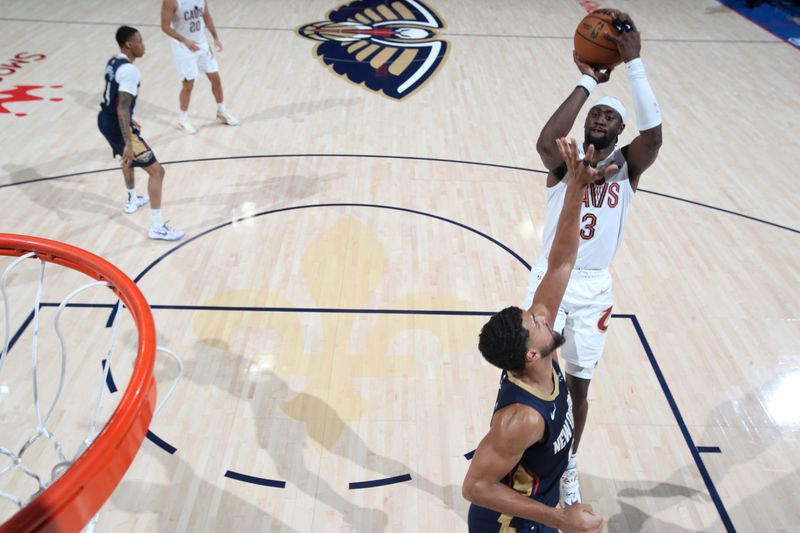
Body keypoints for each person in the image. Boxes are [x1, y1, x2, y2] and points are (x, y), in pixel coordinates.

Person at [523, 11, 663, 506]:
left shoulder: (629, 166)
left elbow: (655, 137)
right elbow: (543, 141)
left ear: (621, 129)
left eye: (611, 117)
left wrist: (635, 64)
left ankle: (566, 465)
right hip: (550, 282)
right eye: (595, 115)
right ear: (586, 125)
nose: (601, 120)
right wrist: (589, 79)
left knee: (579, 388)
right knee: (533, 370)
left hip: (594, 286)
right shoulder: (565, 161)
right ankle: (522, 456)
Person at [463, 139, 614, 533]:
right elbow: (475, 486)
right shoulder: (520, 420)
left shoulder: (537, 345)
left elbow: (562, 259)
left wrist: (576, 191)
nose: (543, 316)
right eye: (536, 324)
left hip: (541, 506)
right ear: (532, 355)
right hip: (509, 524)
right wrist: (561, 518)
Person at [98, 26, 185, 241]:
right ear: (129, 45)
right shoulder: (130, 71)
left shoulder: (113, 62)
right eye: (139, 41)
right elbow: (122, 108)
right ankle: (157, 226)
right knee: (157, 172)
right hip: (117, 125)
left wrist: (128, 120)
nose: (143, 45)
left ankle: (131, 199)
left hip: (105, 119)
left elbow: (115, 99)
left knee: (126, 159)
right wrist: (128, 140)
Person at [161, 0, 239, 134]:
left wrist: (215, 37)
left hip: (201, 43)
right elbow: (165, 26)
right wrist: (185, 41)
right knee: (188, 84)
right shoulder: (171, 1)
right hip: (182, 46)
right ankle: (183, 119)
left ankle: (221, 111)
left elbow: (206, 15)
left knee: (216, 78)